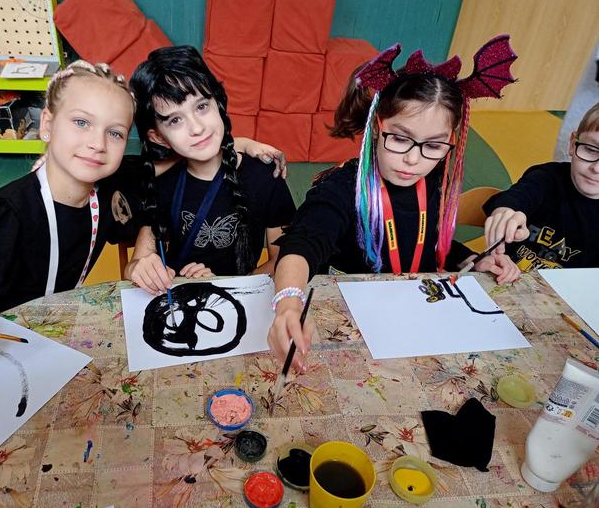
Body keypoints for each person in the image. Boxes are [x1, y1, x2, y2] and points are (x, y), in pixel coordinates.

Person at [0, 59, 286, 363]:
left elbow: (185, 154)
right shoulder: (3, 213)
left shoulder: (114, 187)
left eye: (114, 133)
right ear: (48, 124)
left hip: (45, 335)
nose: (97, 144)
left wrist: (237, 143)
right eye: (81, 123)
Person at [267, 36, 521, 372]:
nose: (413, 159)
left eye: (433, 145)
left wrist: (471, 260)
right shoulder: (342, 188)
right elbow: (302, 243)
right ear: (377, 127)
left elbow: (426, 241)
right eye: (400, 138)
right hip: (351, 326)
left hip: (414, 318)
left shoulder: (433, 179)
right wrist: (288, 304)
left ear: (451, 141)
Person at [126, 45, 296, 294]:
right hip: (178, 298)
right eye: (175, 120)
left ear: (218, 103)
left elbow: (284, 260)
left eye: (202, 107)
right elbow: (136, 265)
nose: (197, 128)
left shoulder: (264, 175)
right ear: (158, 137)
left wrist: (223, 287)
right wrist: (140, 270)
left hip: (239, 299)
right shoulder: (161, 180)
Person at [483, 101, 599, 271]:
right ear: (572, 144)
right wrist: (506, 212)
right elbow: (516, 197)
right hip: (503, 274)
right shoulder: (547, 178)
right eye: (591, 149)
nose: (596, 169)